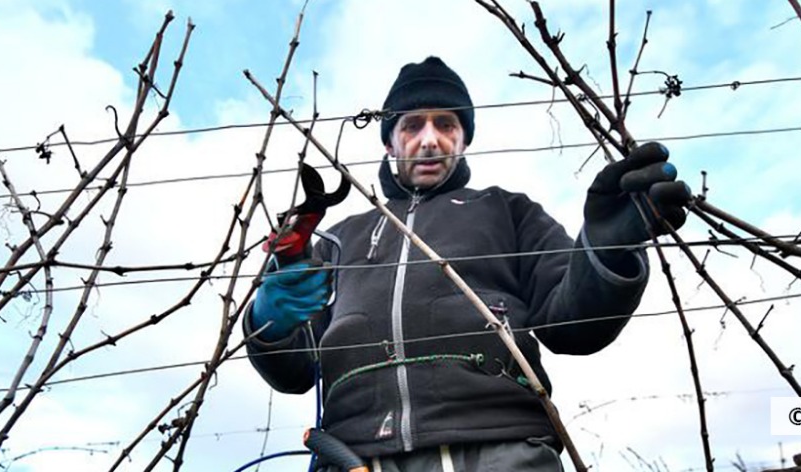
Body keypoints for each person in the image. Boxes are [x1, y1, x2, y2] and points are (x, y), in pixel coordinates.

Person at [242, 56, 691, 471]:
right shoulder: (339, 238)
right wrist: (270, 324)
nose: (430, 138)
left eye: (447, 124)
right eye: (413, 125)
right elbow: (295, 371)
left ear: (463, 138)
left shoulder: (508, 211)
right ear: (389, 142)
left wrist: (605, 249)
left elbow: (574, 327)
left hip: (502, 449)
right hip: (356, 456)